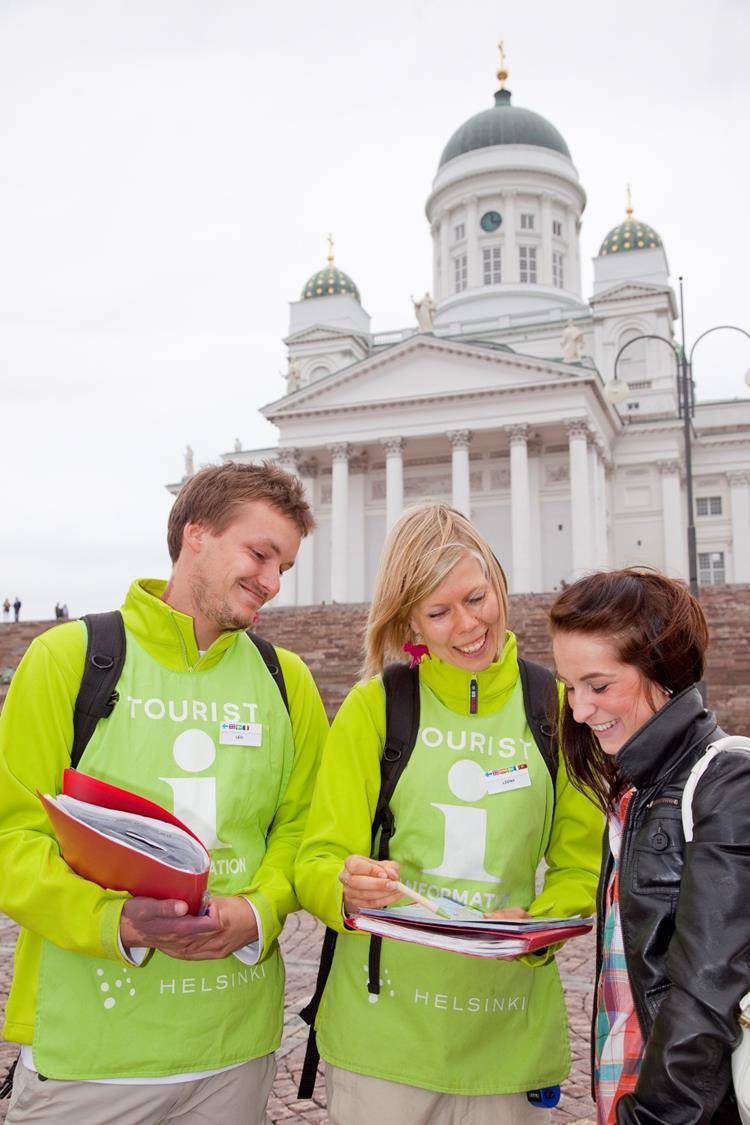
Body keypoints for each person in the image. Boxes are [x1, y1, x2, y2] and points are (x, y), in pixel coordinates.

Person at [0, 461, 328, 1125]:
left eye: (284, 568)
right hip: (88, 1055)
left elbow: (302, 831)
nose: (271, 582)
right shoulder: (69, 658)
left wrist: (258, 911)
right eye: (260, 554)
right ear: (196, 534)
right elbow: (13, 838)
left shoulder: (287, 679)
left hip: (233, 1051)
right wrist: (113, 919)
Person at [295, 503, 602, 1124]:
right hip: (385, 1037)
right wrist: (346, 886)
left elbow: (583, 865)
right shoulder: (374, 706)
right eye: (439, 612)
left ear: (496, 580)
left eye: (476, 597)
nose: (467, 625)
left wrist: (538, 922)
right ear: (410, 619)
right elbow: (317, 858)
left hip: (507, 1033)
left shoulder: (556, 708)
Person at [549, 567, 750, 1125]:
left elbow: (704, 1000)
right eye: (569, 686)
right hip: (628, 1090)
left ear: (662, 671)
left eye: (599, 685)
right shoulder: (633, 788)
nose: (579, 709)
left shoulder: (728, 784)